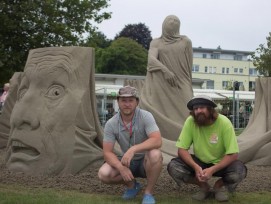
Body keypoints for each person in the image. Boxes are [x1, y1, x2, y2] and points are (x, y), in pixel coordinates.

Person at [167, 95, 247, 202]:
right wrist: (195, 167)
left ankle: (217, 187)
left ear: (210, 109)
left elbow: (233, 154)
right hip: (200, 162)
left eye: (202, 107)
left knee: (239, 171)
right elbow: (181, 149)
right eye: (195, 109)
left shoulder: (224, 122)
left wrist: (212, 169)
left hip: (221, 162)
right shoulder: (190, 121)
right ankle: (204, 187)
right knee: (174, 167)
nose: (198, 111)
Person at [98, 85, 163, 204]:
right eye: (123, 100)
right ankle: (132, 186)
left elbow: (157, 140)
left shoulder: (146, 116)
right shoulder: (111, 124)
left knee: (156, 154)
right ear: (118, 101)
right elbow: (107, 152)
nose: (127, 104)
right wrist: (120, 167)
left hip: (145, 161)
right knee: (104, 174)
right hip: (127, 162)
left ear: (137, 102)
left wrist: (134, 149)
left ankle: (148, 193)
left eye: (131, 100)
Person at [140, 15, 193, 143]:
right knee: (159, 108)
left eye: (176, 20)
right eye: (170, 19)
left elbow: (189, 63)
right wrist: (166, 71)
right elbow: (151, 60)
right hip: (163, 82)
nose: (173, 22)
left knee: (189, 109)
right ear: (164, 23)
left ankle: (189, 140)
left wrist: (186, 80)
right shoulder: (156, 42)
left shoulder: (185, 41)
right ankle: (162, 139)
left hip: (181, 81)